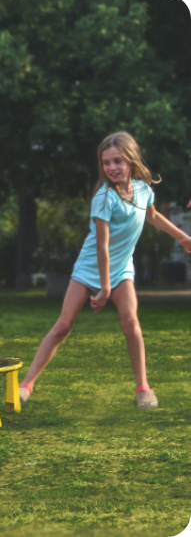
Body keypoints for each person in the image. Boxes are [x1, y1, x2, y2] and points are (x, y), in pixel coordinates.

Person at [20, 131, 191, 411]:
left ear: (131, 162)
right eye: (106, 162)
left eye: (118, 161)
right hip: (90, 266)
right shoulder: (103, 198)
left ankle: (143, 388)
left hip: (121, 267)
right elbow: (102, 247)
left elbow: (152, 216)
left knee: (131, 324)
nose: (111, 168)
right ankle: (26, 385)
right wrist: (105, 288)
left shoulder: (143, 190)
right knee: (63, 326)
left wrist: (182, 237)